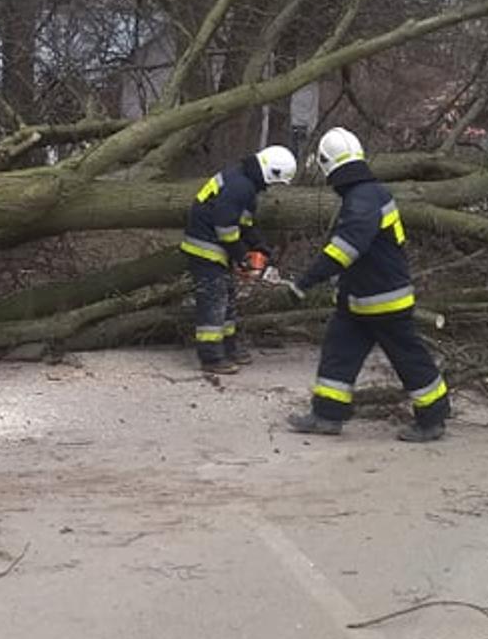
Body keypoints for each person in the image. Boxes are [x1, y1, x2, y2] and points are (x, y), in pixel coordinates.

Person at [282, 127, 449, 441]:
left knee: (408, 359)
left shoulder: (363, 199)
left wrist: (305, 282)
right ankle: (326, 415)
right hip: (359, 299)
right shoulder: (365, 194)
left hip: (383, 300)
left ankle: (433, 418)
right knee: (337, 353)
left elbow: (345, 249)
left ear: (328, 165)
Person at [180, 145, 298, 374]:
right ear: (271, 172)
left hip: (215, 247)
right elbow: (225, 228)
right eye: (275, 182)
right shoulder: (240, 186)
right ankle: (211, 357)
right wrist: (241, 255)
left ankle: (229, 348)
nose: (271, 187)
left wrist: (259, 246)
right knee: (213, 303)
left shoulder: (245, 183)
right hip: (205, 248)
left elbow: (244, 224)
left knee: (227, 301)